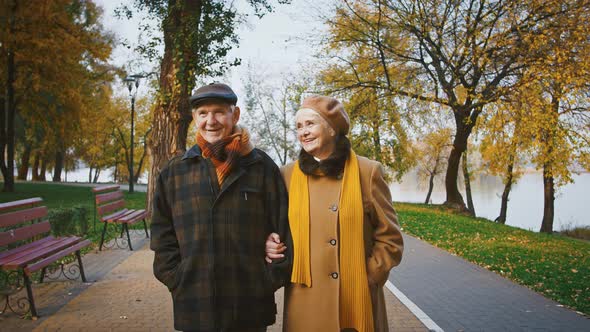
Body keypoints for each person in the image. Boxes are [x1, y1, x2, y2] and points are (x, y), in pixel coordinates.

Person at [150, 83, 291, 332]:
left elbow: (283, 226)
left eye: (219, 112)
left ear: (234, 115)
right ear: (194, 118)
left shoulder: (260, 166)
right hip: (195, 301)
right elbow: (162, 234)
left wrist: (267, 278)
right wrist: (176, 277)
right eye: (203, 113)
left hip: (249, 303)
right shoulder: (175, 172)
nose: (210, 121)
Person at [265, 95, 403, 332]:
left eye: (310, 124)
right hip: (305, 300)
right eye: (298, 126)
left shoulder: (367, 171)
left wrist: (369, 276)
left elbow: (390, 238)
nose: (303, 132)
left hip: (354, 297)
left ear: (332, 129)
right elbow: (274, 227)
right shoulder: (286, 175)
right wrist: (269, 241)